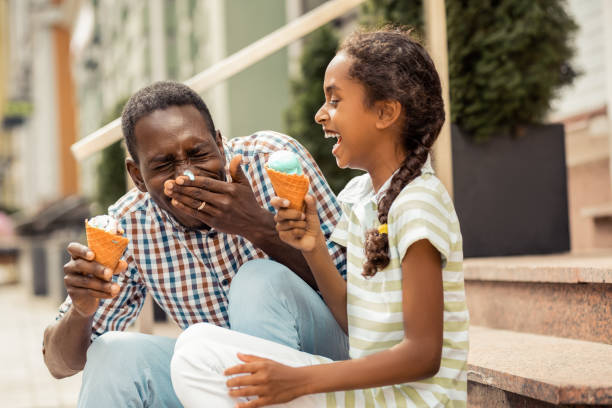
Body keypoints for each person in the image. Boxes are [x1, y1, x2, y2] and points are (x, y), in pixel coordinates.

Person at [170, 27, 469, 407]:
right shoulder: (361, 198)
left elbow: (424, 355)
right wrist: (313, 249)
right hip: (369, 395)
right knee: (195, 344)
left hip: (405, 401)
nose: (320, 114)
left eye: (335, 100)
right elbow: (355, 324)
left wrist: (300, 380)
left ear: (385, 112)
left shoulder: (419, 204)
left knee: (198, 359)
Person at [42, 81, 348, 407]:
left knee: (259, 279)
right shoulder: (130, 224)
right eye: (164, 165)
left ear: (219, 143)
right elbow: (58, 365)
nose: (186, 175)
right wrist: (81, 309)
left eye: (198, 153)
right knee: (112, 355)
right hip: (218, 383)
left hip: (323, 366)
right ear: (138, 176)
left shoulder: (271, 161)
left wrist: (258, 227)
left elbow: (358, 294)